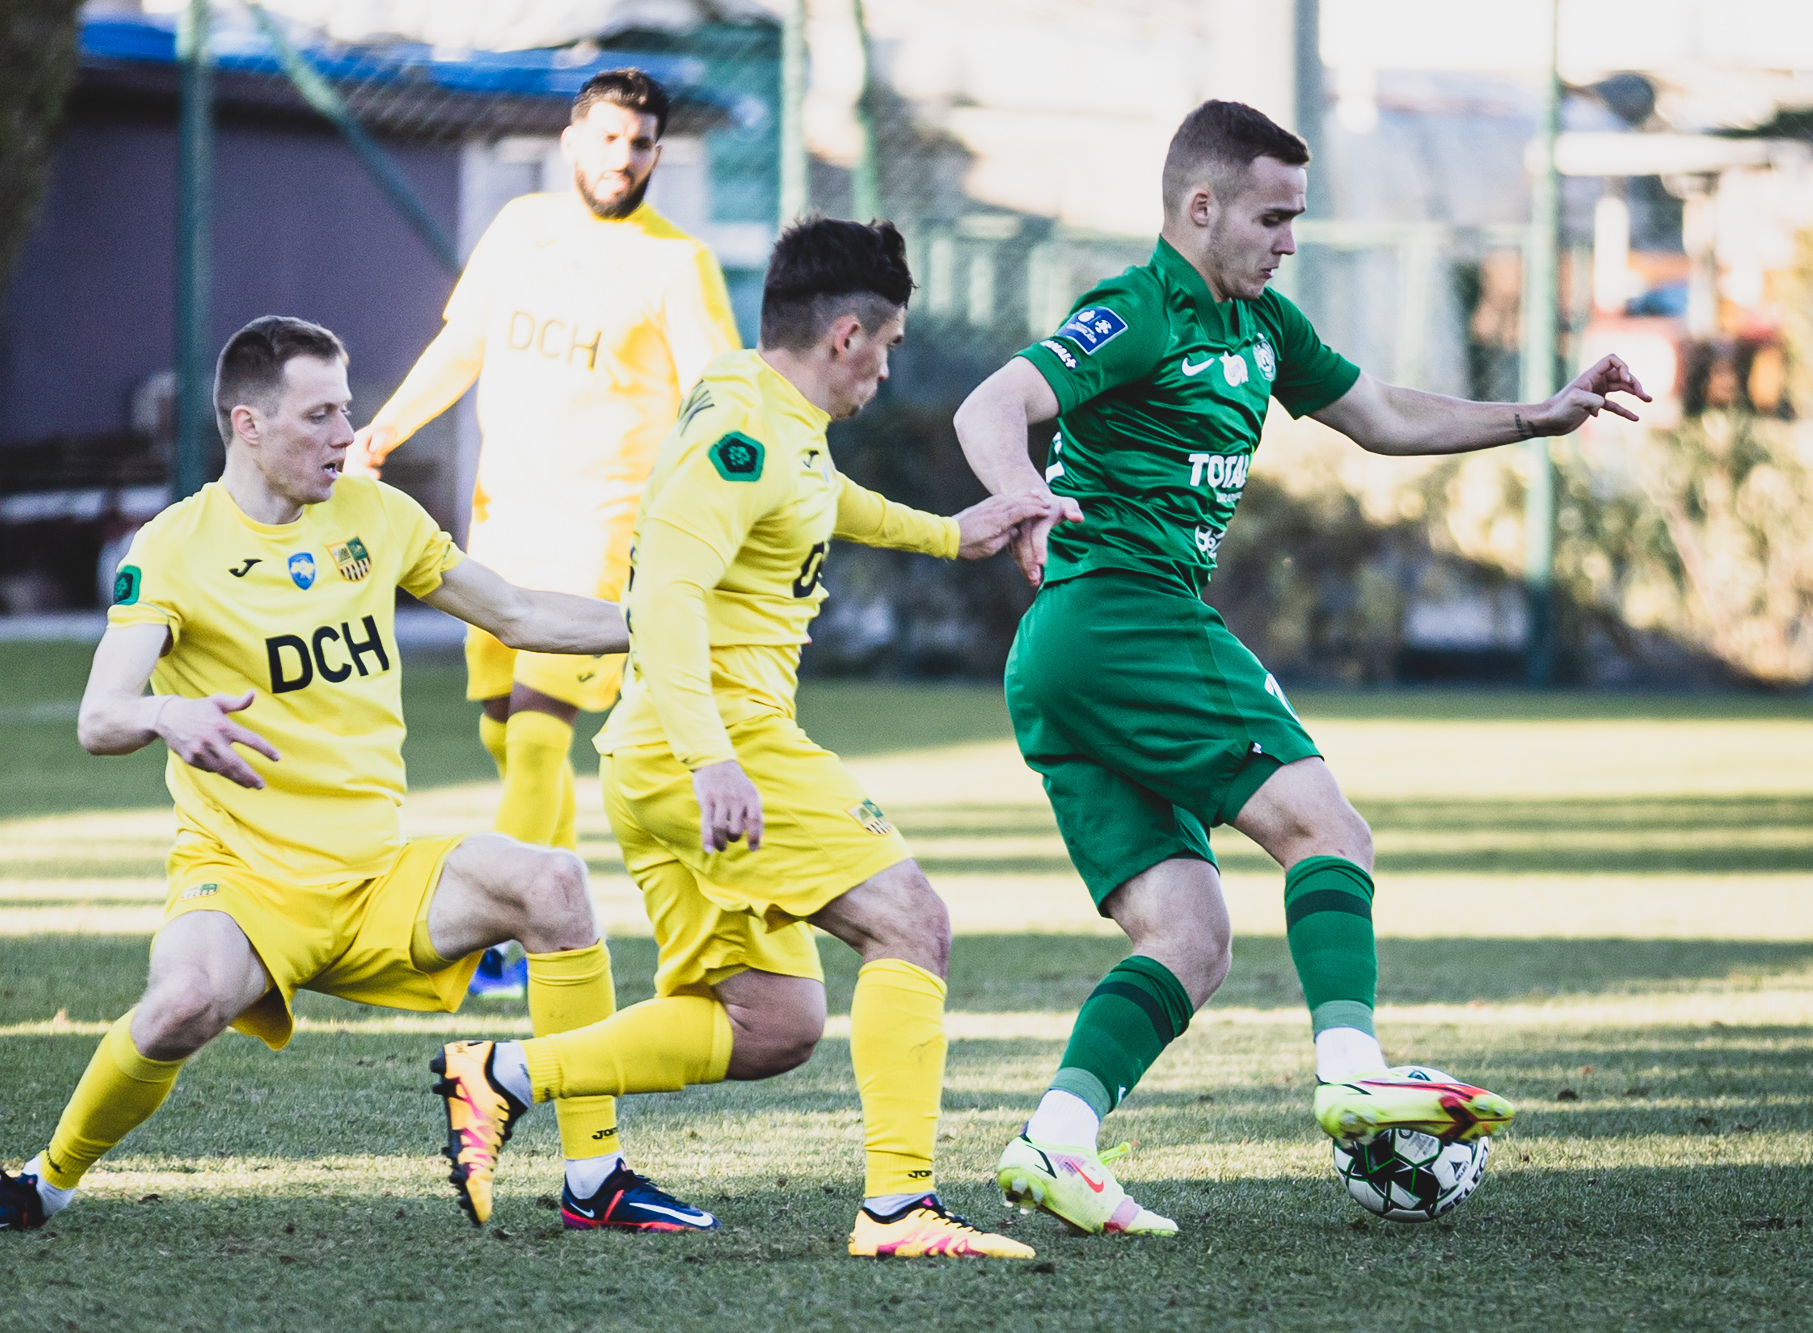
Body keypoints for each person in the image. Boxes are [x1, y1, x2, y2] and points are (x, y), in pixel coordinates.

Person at [952, 99, 1650, 1237]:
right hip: (1124, 617)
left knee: (1187, 935)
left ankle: (1056, 1139)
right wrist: (1016, 491)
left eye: (1297, 218)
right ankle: (1349, 1070)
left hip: (1070, 658)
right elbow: (996, 403)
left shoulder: (1263, 325)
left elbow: (1379, 415)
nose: (1288, 240)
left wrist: (1539, 415)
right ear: (1199, 206)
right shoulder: (1134, 311)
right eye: (1272, 218)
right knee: (1330, 832)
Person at [0, 317, 705, 1235]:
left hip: (378, 879)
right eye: (320, 415)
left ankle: (595, 1179)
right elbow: (101, 715)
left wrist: (667, 624)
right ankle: (41, 1183)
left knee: (555, 882)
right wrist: (169, 714)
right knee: (179, 1006)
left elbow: (520, 611)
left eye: (348, 411)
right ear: (247, 425)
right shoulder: (170, 548)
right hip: (247, 886)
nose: (346, 436)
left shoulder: (377, 517)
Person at [425, 218, 1061, 1259]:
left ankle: (498, 1077)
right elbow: (666, 594)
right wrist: (714, 755)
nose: (888, 366)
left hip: (666, 752)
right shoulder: (746, 436)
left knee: (772, 1022)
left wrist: (951, 532)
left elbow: (819, 500)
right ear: (845, 335)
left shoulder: (760, 403)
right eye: (888, 344)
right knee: (913, 923)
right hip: (715, 745)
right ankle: (898, 1208)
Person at [348, 71, 741, 1170]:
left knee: (533, 730)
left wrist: (715, 515)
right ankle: (540, 901)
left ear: (657, 155)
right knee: (501, 731)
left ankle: (517, 935)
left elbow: (717, 396)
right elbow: (463, 350)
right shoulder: (517, 230)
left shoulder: (675, 263)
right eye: (609, 137)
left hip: (600, 536)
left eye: (642, 144)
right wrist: (380, 434)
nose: (623, 158)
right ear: (572, 137)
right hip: (499, 528)